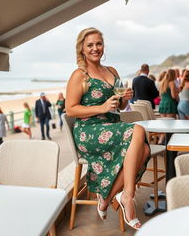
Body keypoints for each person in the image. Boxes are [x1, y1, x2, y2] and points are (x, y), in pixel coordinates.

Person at [66, 27, 150, 230]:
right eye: (90, 45)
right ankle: (128, 198)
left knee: (145, 149)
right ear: (82, 50)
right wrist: (101, 108)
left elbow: (120, 106)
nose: (95, 48)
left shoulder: (113, 71)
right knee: (138, 130)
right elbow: (70, 109)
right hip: (89, 130)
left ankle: (107, 198)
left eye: (99, 43)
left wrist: (125, 98)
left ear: (103, 46)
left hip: (112, 127)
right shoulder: (79, 75)